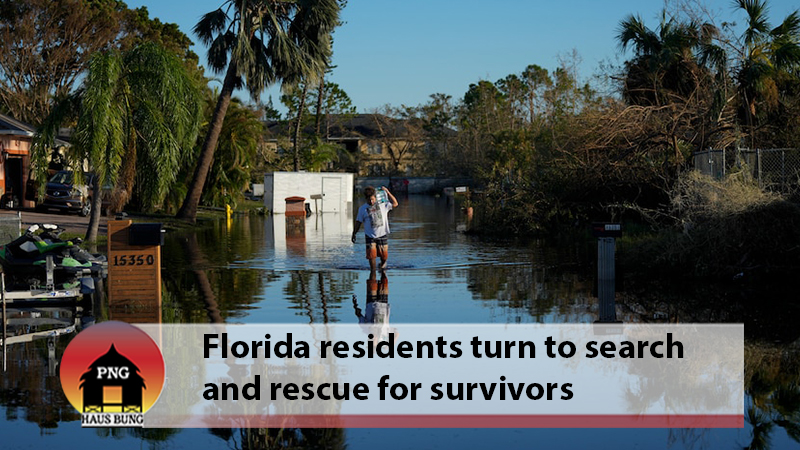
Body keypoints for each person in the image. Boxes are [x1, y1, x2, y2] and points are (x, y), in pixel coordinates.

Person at [352, 185, 398, 272]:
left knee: (384, 256)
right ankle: (373, 272)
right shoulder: (362, 209)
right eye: (369, 200)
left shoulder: (383, 205)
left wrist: (388, 192)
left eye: (373, 199)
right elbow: (358, 222)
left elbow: (395, 204)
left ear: (376, 198)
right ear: (366, 199)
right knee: (371, 256)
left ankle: (382, 265)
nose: (371, 201)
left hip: (382, 234)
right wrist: (354, 233)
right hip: (370, 236)